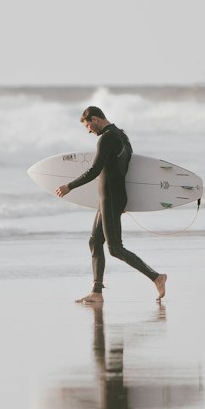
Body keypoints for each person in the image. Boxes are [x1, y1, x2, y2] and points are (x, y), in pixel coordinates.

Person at [55, 106, 168, 304]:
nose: (89, 130)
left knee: (115, 248)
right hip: (111, 197)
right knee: (95, 242)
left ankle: (156, 277)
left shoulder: (107, 138)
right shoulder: (122, 136)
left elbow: (95, 170)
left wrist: (69, 186)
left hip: (111, 198)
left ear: (96, 119)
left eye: (88, 125)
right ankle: (96, 292)